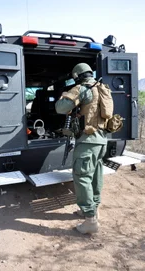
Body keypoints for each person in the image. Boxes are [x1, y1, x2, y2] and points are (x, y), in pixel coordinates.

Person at [55, 63, 113, 234]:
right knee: (95, 176)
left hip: (87, 141)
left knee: (82, 177)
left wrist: (66, 94)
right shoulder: (102, 88)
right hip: (101, 140)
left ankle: (90, 220)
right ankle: (93, 210)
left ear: (77, 76)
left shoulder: (83, 88)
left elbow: (60, 108)